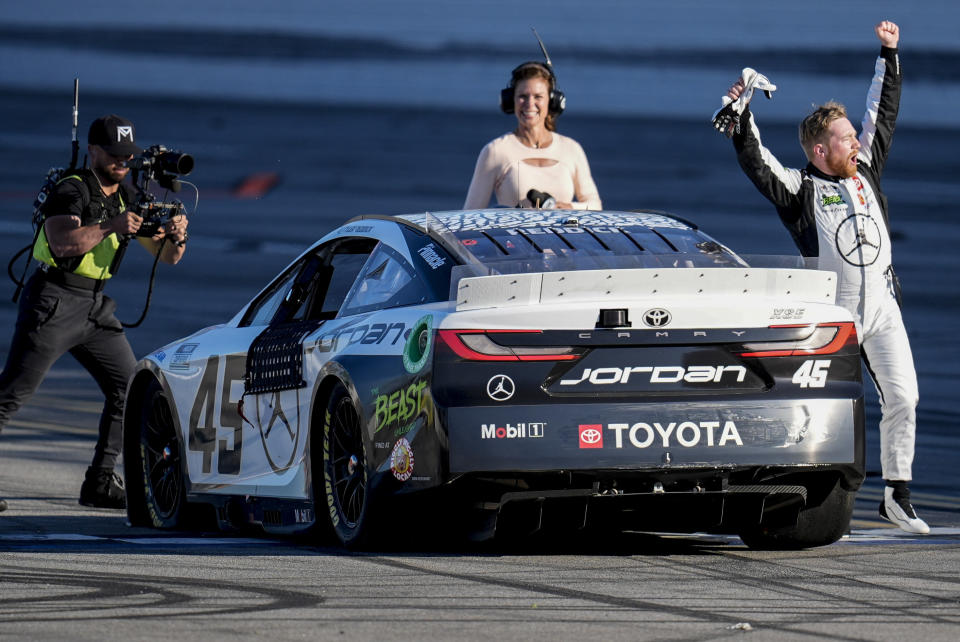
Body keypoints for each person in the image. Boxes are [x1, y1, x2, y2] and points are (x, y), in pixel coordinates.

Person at [723, 21, 928, 534]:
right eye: (844, 138)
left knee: (905, 397)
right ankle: (815, 499)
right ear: (819, 150)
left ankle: (897, 496)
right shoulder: (801, 189)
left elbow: (882, 115)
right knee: (824, 412)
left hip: (882, 308)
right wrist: (742, 112)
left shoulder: (866, 172)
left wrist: (889, 53)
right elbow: (757, 162)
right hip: (830, 318)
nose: (856, 142)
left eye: (854, 137)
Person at [0, 114, 189, 512]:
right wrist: (111, 226)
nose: (122, 162)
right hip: (54, 300)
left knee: (129, 386)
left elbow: (168, 258)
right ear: (93, 151)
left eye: (128, 156)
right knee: (12, 393)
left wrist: (176, 236)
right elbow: (63, 242)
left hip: (95, 308)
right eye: (115, 155)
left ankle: (100, 482)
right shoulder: (72, 189)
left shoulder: (127, 196)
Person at [464, 61, 601, 210]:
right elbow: (470, 214)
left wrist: (568, 207)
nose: (529, 104)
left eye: (538, 96)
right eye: (523, 96)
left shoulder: (571, 149)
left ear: (552, 101)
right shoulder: (495, 151)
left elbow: (595, 206)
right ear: (511, 101)